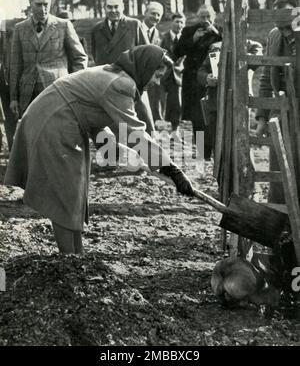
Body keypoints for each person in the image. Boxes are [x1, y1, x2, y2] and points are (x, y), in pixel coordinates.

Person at [4, 45, 194, 254]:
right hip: (54, 122)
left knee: (75, 190)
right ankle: (69, 260)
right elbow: (134, 133)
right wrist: (171, 169)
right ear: (146, 68)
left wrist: (109, 143)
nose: (155, 82)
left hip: (61, 120)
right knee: (65, 193)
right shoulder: (121, 84)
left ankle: (76, 256)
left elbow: (94, 110)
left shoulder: (114, 74)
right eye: (156, 76)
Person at [9, 0, 88, 120]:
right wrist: (14, 98)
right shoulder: (20, 29)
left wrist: (75, 87)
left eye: (46, 4)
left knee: (58, 132)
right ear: (30, 2)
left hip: (58, 90)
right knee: (32, 134)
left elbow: (79, 58)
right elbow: (15, 65)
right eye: (38, 4)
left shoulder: (63, 25)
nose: (43, 9)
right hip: (28, 94)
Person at [91, 0, 154, 134]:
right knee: (111, 127)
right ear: (104, 8)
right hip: (106, 83)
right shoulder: (97, 29)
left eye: (116, 7)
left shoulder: (134, 25)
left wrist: (143, 82)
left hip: (133, 83)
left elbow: (147, 53)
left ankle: (150, 152)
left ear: (123, 7)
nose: (113, 10)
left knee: (142, 124)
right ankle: (116, 153)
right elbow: (95, 56)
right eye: (109, 7)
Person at [255, 0, 297, 203]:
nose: (285, 31)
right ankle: (280, 221)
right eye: (280, 26)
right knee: (278, 166)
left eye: (288, 24)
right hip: (279, 111)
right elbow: (265, 77)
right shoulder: (273, 36)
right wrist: (262, 117)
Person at [198, 38, 262, 160]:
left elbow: (255, 62)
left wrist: (232, 54)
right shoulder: (215, 47)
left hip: (240, 102)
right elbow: (201, 71)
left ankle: (243, 175)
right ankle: (220, 177)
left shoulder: (253, 46)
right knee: (218, 143)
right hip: (216, 101)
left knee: (241, 144)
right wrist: (207, 78)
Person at [175, 5, 221, 143]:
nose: (205, 20)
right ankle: (202, 153)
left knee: (214, 115)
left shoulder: (220, 31)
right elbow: (178, 52)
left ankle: (215, 149)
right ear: (197, 17)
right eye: (202, 17)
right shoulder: (189, 31)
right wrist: (194, 38)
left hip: (213, 79)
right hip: (193, 81)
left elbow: (225, 43)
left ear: (214, 17)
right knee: (197, 118)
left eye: (208, 16)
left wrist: (213, 31)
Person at [160, 12, 186, 142]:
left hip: (178, 76)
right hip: (163, 74)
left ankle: (175, 130)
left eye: (182, 22)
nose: (179, 25)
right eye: (177, 22)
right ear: (172, 23)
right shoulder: (163, 38)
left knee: (176, 103)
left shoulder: (186, 39)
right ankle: (157, 130)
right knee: (159, 103)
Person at [142, 2, 165, 126]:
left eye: (158, 15)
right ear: (145, 13)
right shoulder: (135, 28)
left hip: (150, 79)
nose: (155, 17)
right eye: (153, 13)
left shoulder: (158, 35)